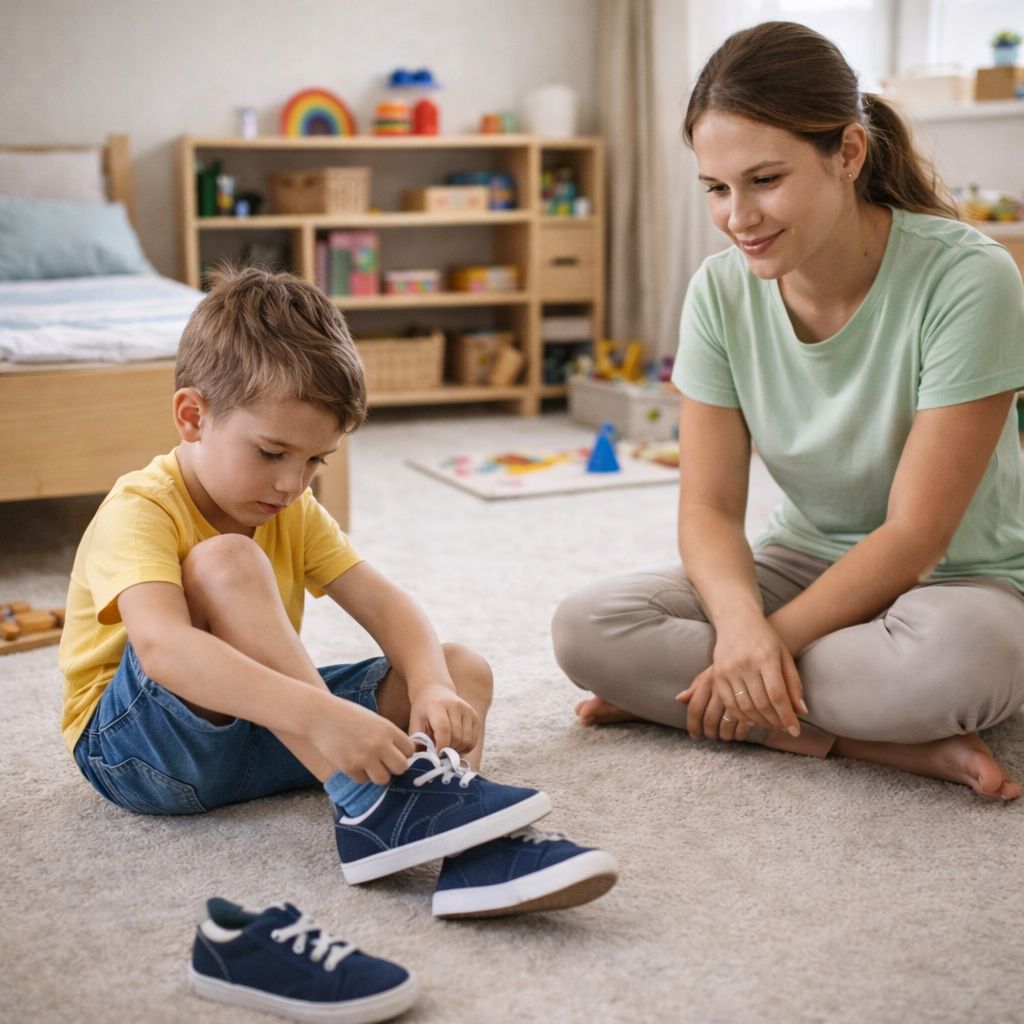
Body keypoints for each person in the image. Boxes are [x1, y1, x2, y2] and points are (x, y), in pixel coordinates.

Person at [553, 21, 1024, 802]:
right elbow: (707, 508)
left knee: (954, 663)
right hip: (804, 560)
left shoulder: (969, 278)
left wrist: (761, 648)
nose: (738, 217)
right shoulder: (718, 290)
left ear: (847, 153)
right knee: (587, 627)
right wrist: (741, 631)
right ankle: (868, 742)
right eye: (716, 188)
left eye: (764, 180)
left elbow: (915, 536)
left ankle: (714, 702)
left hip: (963, 581)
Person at [61, 265, 618, 918]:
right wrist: (321, 716)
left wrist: (432, 686)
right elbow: (164, 649)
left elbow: (385, 605)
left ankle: (460, 848)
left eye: (315, 461)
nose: (293, 483)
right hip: (141, 751)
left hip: (265, 731)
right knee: (227, 561)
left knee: (460, 668)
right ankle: (368, 798)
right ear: (192, 415)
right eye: (272, 452)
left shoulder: (291, 507)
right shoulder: (142, 506)